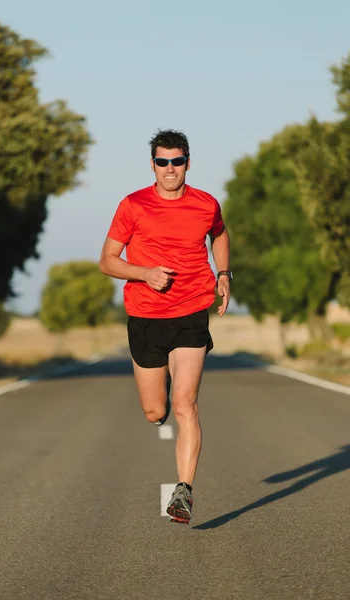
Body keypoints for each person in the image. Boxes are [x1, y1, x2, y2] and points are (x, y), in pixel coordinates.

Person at [99, 129, 232, 524]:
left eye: (177, 161)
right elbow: (107, 260)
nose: (170, 169)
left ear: (188, 162)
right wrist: (144, 274)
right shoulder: (133, 205)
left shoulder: (206, 204)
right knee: (155, 410)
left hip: (191, 311)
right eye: (162, 162)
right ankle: (163, 392)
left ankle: (184, 491)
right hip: (145, 317)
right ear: (153, 164)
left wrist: (223, 273)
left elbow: (220, 235)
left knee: (185, 404)